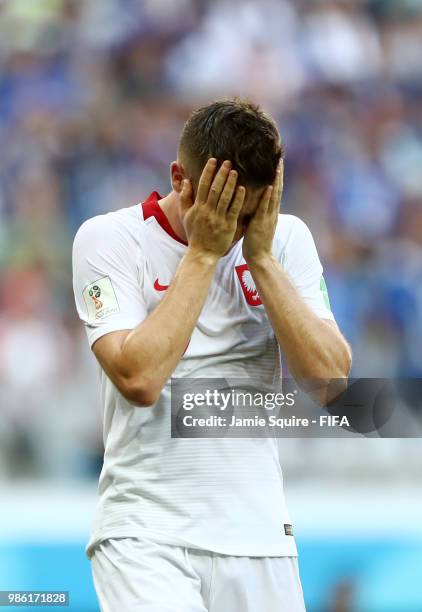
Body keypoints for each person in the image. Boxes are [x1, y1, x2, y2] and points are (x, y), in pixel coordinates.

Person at [72, 99, 351, 612]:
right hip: (146, 533)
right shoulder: (109, 239)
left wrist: (262, 260)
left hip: (261, 536)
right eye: (223, 208)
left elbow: (331, 384)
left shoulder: (283, 238)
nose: (234, 230)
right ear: (180, 178)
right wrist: (202, 254)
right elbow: (138, 379)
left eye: (248, 215)